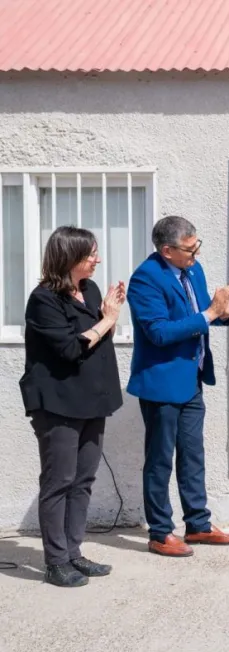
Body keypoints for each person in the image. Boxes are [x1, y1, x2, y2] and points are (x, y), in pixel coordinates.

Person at [127, 215, 229, 558]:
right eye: (189, 248)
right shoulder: (144, 280)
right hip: (161, 381)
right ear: (167, 250)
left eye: (197, 243)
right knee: (160, 460)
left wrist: (226, 313)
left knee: (193, 455)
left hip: (192, 377)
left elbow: (201, 315)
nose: (196, 252)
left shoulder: (192, 270)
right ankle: (159, 532)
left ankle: (197, 524)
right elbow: (160, 332)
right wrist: (212, 313)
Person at [20, 226, 125, 587]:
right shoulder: (43, 299)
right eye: (90, 254)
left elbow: (98, 340)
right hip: (57, 404)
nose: (97, 259)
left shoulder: (89, 290)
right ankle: (55, 562)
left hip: (90, 399)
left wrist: (109, 314)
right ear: (69, 257)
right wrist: (108, 320)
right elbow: (69, 349)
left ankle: (74, 554)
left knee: (83, 480)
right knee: (58, 481)